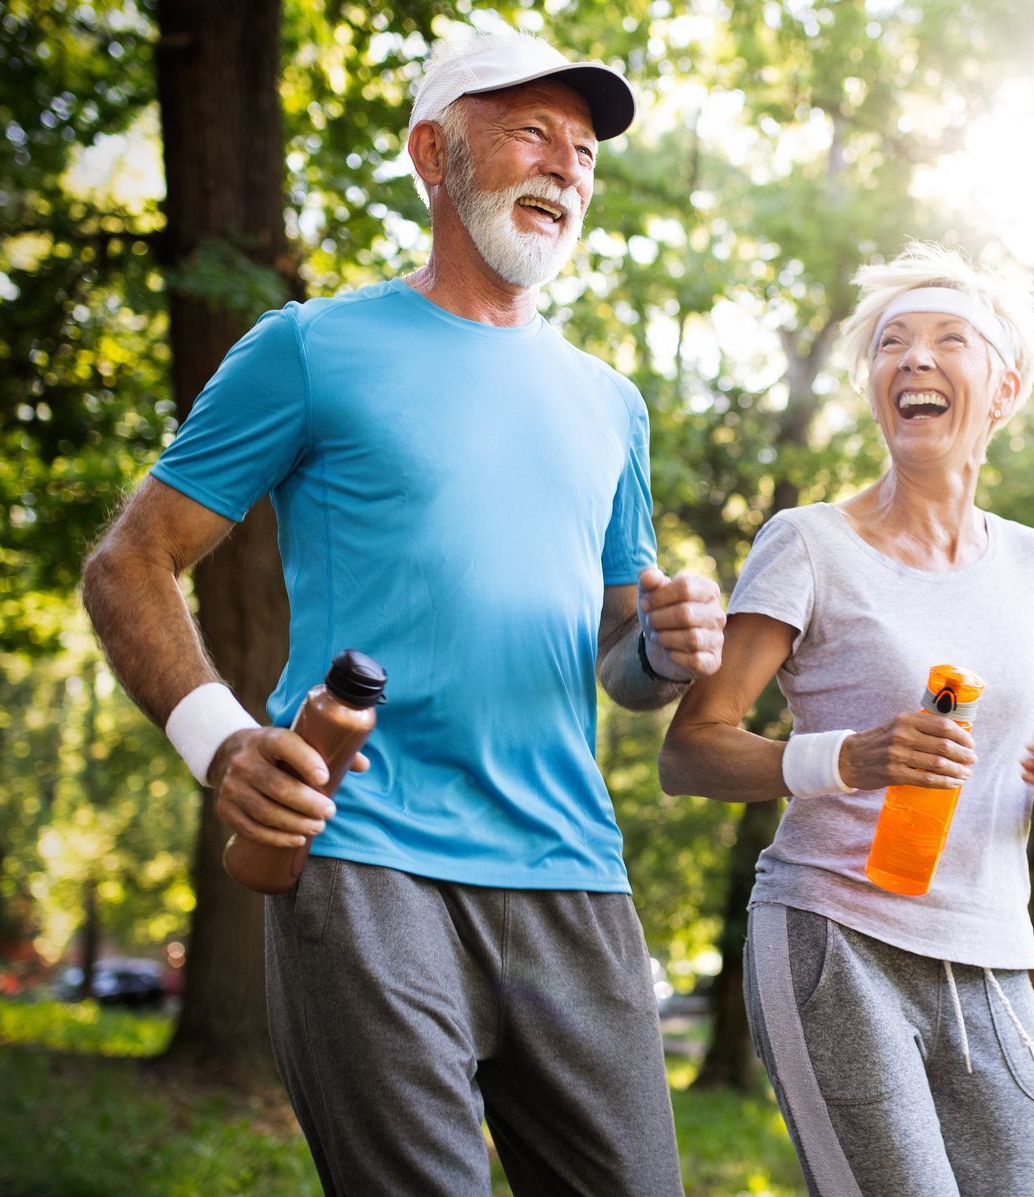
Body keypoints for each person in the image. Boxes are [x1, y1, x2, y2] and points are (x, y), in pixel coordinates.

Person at [83, 29, 725, 1197]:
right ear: (435, 154)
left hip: (572, 873)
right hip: (371, 861)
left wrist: (665, 654)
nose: (566, 169)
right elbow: (130, 563)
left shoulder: (610, 406)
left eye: (583, 152)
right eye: (531, 132)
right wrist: (220, 743)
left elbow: (621, 661)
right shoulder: (312, 348)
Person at [659, 241, 1034, 1197]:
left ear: (1005, 388)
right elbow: (690, 750)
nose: (913, 358)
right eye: (891, 344)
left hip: (993, 957)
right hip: (836, 935)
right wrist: (848, 758)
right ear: (874, 390)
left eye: (950, 339)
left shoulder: (1033, 566)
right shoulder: (808, 545)